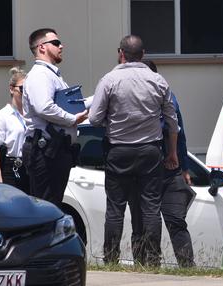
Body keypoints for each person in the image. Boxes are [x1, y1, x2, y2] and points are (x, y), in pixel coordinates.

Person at [88, 35, 178, 267]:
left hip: (118, 150)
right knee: (150, 207)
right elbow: (172, 121)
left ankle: (111, 259)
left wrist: (114, 119)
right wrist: (173, 153)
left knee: (115, 208)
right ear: (143, 54)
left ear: (121, 53)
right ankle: (151, 260)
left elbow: (94, 118)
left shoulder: (109, 80)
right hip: (150, 150)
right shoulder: (157, 80)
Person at [130, 59, 195, 267]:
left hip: (170, 171)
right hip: (140, 171)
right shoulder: (130, 100)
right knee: (141, 224)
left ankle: (187, 266)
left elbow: (179, 133)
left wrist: (184, 168)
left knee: (176, 220)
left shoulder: (168, 98)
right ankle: (147, 266)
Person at [21, 28, 88, 207]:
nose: (61, 46)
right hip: (46, 151)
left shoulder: (51, 74)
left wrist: (96, 100)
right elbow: (44, 107)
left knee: (52, 205)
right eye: (56, 43)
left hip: (56, 151)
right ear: (42, 47)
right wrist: (72, 119)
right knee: (46, 207)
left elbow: (68, 104)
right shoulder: (40, 74)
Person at [0, 67, 30, 193]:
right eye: (22, 89)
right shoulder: (3, 116)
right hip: (12, 169)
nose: (26, 93)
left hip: (31, 168)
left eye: (28, 90)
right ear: (11, 89)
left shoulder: (32, 115)